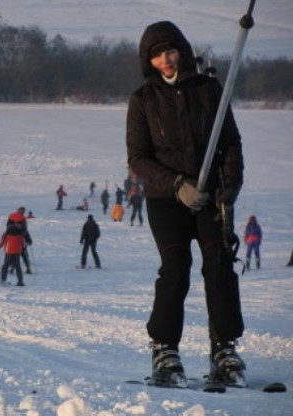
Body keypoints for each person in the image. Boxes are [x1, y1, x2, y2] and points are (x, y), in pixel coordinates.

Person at [126, 21, 246, 388]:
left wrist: (227, 191)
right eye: (157, 53)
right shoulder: (143, 100)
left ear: (182, 51)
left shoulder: (209, 90)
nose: (165, 59)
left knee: (219, 266)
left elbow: (231, 144)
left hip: (210, 197)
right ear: (149, 59)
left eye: (171, 50)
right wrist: (177, 186)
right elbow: (139, 159)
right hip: (167, 201)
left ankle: (224, 349)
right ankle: (165, 349)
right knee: (175, 269)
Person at [0, 220, 25, 286]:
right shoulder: (20, 232)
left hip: (9, 251)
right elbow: (23, 243)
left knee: (5, 266)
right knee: (18, 267)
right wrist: (23, 249)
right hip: (17, 252)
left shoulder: (6, 233)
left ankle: (3, 280)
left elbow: (2, 242)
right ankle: (20, 281)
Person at [7, 206, 33, 274]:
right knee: (23, 254)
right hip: (19, 240)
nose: (23, 212)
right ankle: (27, 268)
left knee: (14, 255)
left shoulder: (11, 216)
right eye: (22, 211)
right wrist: (28, 239)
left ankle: (12, 268)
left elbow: (8, 228)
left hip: (12, 240)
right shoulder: (22, 218)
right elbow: (25, 231)